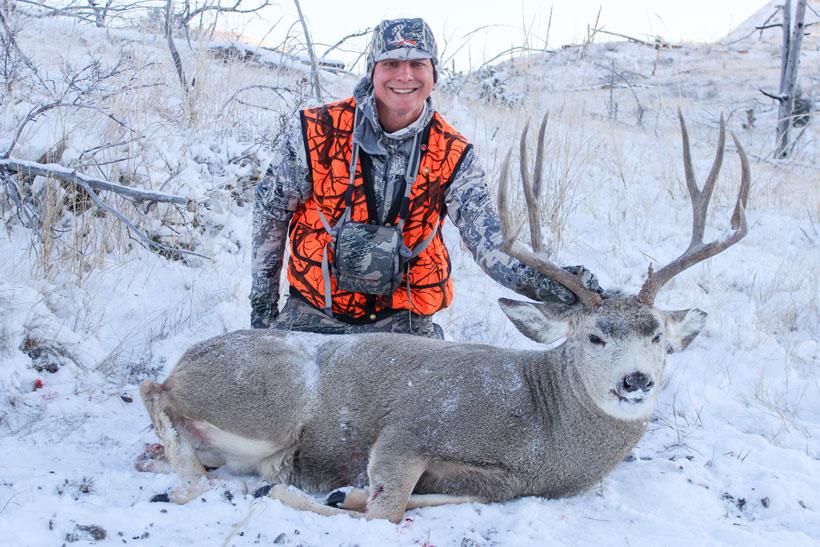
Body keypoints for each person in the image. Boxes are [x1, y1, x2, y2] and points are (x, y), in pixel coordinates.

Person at [250, 17, 600, 338]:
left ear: (433, 73)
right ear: (373, 70)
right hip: (312, 316)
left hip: (402, 325)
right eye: (391, 64)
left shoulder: (453, 154)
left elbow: (492, 246)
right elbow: (271, 212)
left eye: (418, 64)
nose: (405, 76)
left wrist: (566, 288)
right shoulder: (316, 131)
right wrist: (263, 312)